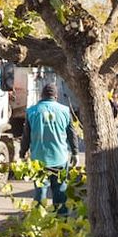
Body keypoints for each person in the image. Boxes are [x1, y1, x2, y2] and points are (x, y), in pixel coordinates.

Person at [20, 83, 78, 215]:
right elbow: (71, 134)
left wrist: (22, 154)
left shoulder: (32, 111)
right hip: (60, 159)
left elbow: (26, 136)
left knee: (40, 191)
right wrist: (75, 153)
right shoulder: (65, 110)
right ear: (56, 96)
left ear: (42, 95)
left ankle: (39, 219)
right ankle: (61, 218)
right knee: (60, 191)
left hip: (39, 160)